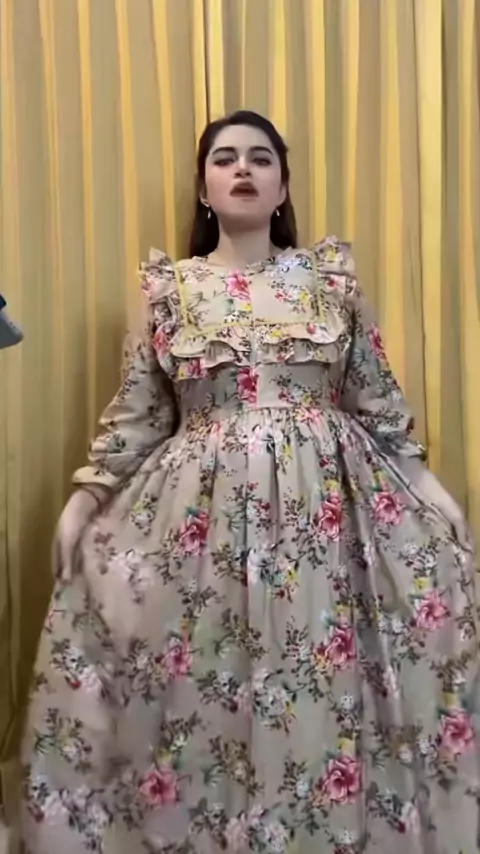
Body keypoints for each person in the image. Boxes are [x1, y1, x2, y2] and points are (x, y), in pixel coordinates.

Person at [19, 110, 479, 854]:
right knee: (212, 679)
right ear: (203, 189)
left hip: (325, 523)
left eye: (261, 158)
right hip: (200, 526)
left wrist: (428, 488)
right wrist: (88, 494)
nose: (243, 169)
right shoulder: (168, 292)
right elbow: (138, 413)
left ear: (282, 186)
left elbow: (377, 401)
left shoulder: (330, 283)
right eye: (225, 158)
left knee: (315, 674)